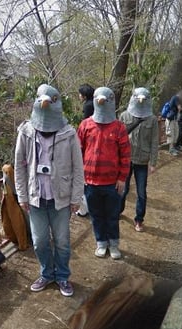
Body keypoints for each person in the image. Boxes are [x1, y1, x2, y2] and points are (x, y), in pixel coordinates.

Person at [14, 84, 84, 296]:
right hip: (36, 198)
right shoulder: (25, 132)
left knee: (62, 242)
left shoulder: (69, 133)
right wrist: (22, 196)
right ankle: (47, 273)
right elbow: (19, 166)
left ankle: (62, 276)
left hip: (60, 198)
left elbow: (77, 167)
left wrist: (76, 197)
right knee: (40, 241)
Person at [77, 87, 131, 259]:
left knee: (112, 216)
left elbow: (125, 155)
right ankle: (101, 242)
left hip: (112, 183)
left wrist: (122, 178)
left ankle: (113, 244)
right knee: (96, 215)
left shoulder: (119, 127)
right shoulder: (85, 125)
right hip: (91, 182)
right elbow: (78, 152)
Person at [119, 87, 159, 232]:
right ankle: (118, 210)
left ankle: (139, 219)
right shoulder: (124, 116)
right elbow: (119, 139)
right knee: (123, 188)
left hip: (142, 160)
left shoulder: (152, 119)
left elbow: (155, 141)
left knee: (141, 192)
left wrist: (153, 163)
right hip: (126, 159)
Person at [75, 83, 95, 217]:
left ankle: (85, 208)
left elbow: (85, 123)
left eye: (80, 94)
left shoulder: (88, 106)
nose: (79, 96)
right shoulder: (93, 103)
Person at [163, 90, 182, 156]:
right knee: (171, 135)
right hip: (171, 119)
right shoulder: (175, 98)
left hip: (175, 120)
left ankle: (173, 148)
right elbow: (179, 109)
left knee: (176, 134)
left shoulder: (178, 99)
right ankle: (171, 150)